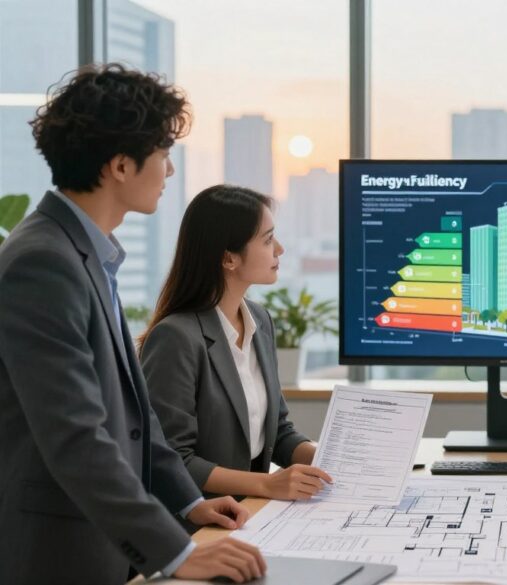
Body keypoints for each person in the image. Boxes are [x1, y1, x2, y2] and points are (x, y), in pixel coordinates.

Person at [0, 64, 265, 584]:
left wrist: (188, 503)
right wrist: (179, 553)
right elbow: (76, 436)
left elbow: (135, 419)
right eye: (163, 156)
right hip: (57, 555)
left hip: (101, 545)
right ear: (121, 165)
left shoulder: (85, 254)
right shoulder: (42, 262)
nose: (169, 172)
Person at [140, 184, 332, 501]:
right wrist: (266, 485)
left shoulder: (260, 320)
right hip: (198, 520)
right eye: (268, 240)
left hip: (253, 512)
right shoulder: (176, 337)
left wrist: (329, 458)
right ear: (229, 258)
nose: (280, 249)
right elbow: (172, 459)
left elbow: (277, 433)